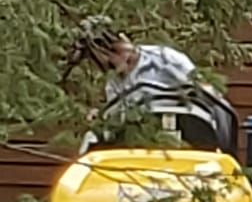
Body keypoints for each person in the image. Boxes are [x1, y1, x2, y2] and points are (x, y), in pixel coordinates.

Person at [67, 18, 238, 154]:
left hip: (187, 134)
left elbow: (204, 92)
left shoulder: (164, 59)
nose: (112, 61)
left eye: (114, 52)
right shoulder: (114, 84)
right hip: (141, 146)